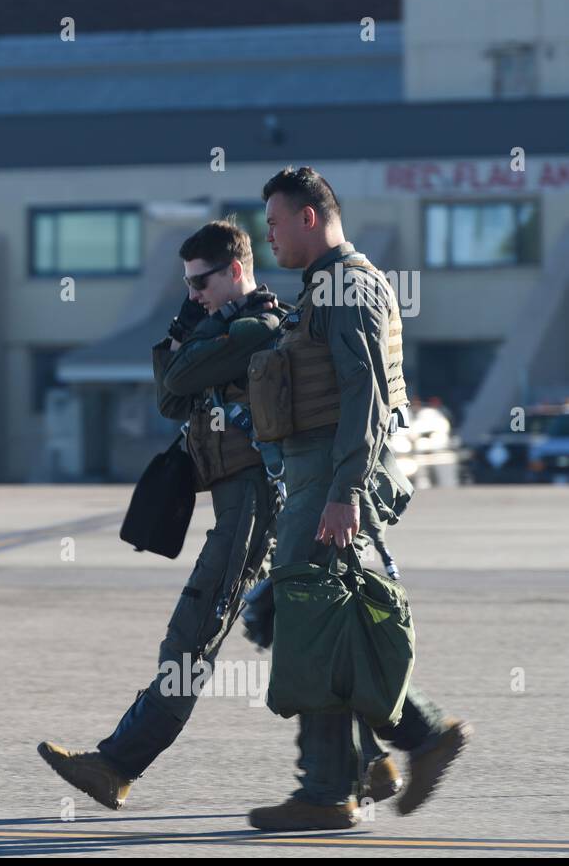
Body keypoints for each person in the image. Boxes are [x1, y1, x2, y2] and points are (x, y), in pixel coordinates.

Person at [36, 220, 398, 810]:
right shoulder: (220, 327)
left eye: (199, 283)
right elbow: (170, 399)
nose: (193, 295)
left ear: (235, 270)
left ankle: (118, 765)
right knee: (292, 628)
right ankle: (372, 759)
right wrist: (190, 324)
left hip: (255, 499)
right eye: (185, 286)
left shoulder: (259, 326)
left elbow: (181, 376)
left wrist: (194, 336)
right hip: (242, 495)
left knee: (197, 627)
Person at [246, 167, 471, 832]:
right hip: (320, 475)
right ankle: (357, 770)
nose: (270, 237)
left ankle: (354, 774)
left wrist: (342, 493)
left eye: (276, 223)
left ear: (309, 218)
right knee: (314, 624)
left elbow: (368, 399)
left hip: (333, 479)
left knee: (312, 625)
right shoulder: (325, 286)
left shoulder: (347, 285)